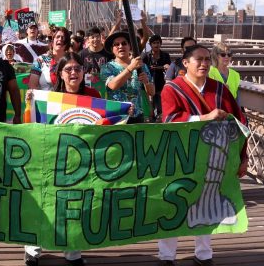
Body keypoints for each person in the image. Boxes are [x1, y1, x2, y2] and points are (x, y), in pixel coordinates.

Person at [159, 44, 247, 266]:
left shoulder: (220, 89)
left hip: (213, 158)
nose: (205, 63)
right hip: (180, 157)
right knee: (173, 202)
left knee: (207, 199)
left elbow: (239, 124)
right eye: (199, 59)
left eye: (208, 59)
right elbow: (169, 120)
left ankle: (204, 253)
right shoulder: (172, 89)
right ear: (186, 63)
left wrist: (243, 156)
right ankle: (167, 255)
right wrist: (204, 118)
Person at [23, 52, 96, 266]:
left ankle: (72, 250)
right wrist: (29, 105)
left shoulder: (93, 94)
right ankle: (33, 249)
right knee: (44, 201)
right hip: (52, 159)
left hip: (80, 161)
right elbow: (31, 126)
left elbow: (104, 123)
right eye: (68, 69)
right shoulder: (48, 97)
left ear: (83, 72)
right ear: (59, 74)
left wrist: (121, 113)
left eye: (78, 68)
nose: (74, 73)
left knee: (77, 204)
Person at [100, 30, 155, 123]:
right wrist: (131, 68)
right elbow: (113, 85)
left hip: (138, 116)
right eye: (116, 44)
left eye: (124, 43)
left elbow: (152, 92)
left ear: (130, 46)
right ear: (112, 49)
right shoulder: (107, 67)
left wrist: (146, 82)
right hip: (116, 117)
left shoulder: (142, 66)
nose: (120, 46)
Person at [141, 34, 171, 121]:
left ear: (160, 44)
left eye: (158, 43)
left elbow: (169, 67)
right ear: (150, 45)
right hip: (148, 84)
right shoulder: (146, 55)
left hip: (160, 83)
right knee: (149, 107)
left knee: (160, 106)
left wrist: (166, 66)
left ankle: (159, 119)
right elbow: (141, 66)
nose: (156, 45)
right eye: (154, 43)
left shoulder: (165, 55)